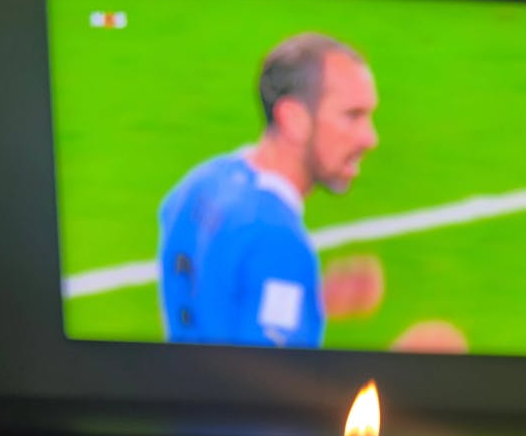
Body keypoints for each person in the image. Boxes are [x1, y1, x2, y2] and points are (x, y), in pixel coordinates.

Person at [158, 33, 380, 347]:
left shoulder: (201, 181)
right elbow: (268, 376)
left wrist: (306, 300)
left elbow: (210, 279)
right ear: (294, 119)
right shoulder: (279, 241)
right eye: (352, 116)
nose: (370, 138)